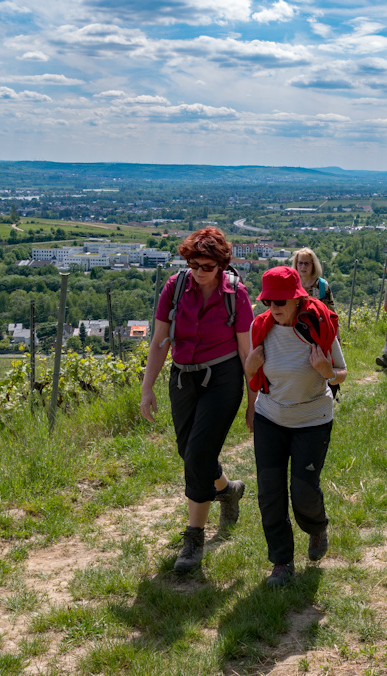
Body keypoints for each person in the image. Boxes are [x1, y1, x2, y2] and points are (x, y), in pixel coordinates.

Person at [140, 227, 254, 574]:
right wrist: (147, 388)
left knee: (199, 453)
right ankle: (228, 489)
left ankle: (194, 538)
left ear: (221, 264)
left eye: (207, 265)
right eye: (193, 264)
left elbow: (247, 351)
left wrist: (253, 402)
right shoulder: (174, 289)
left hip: (223, 378)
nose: (199, 271)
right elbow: (160, 340)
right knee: (188, 451)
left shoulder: (237, 294)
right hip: (183, 377)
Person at [244, 267, 347, 588]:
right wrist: (250, 367)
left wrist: (325, 369)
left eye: (280, 300)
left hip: (312, 420)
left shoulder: (318, 325)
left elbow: (341, 373)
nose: (273, 306)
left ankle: (316, 528)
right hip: (270, 418)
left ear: (297, 299)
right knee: (269, 492)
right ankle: (281, 562)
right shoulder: (260, 328)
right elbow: (251, 375)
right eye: (268, 301)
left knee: (303, 490)